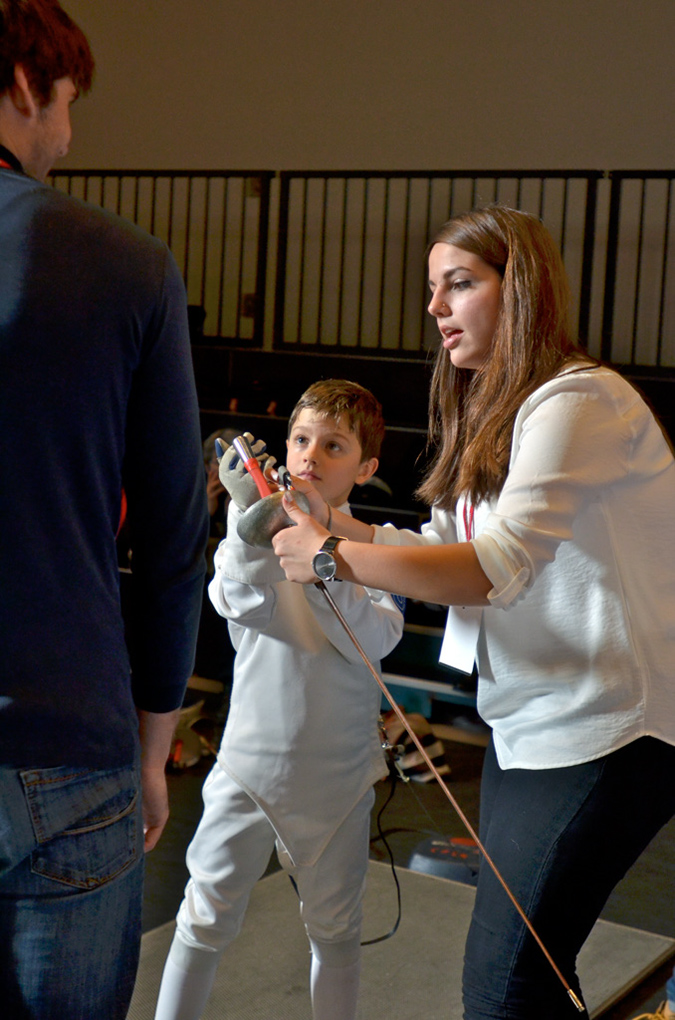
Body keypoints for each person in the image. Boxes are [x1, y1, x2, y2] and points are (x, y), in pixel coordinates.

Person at [272, 206, 675, 1020]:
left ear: (518, 289)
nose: (434, 307)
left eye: (457, 284)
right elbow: (445, 544)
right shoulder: (498, 408)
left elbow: (491, 570)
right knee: (524, 979)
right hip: (531, 722)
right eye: (433, 288)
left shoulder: (579, 400)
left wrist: (330, 553)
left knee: (505, 988)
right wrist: (339, 522)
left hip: (609, 731)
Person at [0, 2, 208, 1017]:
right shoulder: (125, 263)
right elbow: (172, 536)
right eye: (68, 101)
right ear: (25, 86)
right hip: (67, 742)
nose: (69, 134)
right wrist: (153, 747)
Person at [153, 380, 405, 1020]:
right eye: (300, 440)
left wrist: (322, 556)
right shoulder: (257, 528)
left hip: (338, 778)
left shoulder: (381, 546)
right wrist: (248, 530)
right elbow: (236, 605)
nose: (310, 455)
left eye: (334, 445)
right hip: (248, 765)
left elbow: (372, 639)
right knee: (202, 920)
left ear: (366, 467)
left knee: (336, 932)